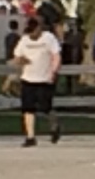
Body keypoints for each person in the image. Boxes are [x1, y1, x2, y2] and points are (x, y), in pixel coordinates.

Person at [8, 12, 65, 145]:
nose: (31, 34)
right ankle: (30, 137)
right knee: (28, 108)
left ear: (39, 28)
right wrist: (20, 61)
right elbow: (17, 56)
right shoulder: (24, 40)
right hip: (28, 78)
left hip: (45, 78)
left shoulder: (49, 38)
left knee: (46, 107)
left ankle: (55, 125)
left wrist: (54, 71)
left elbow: (56, 55)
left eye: (33, 30)